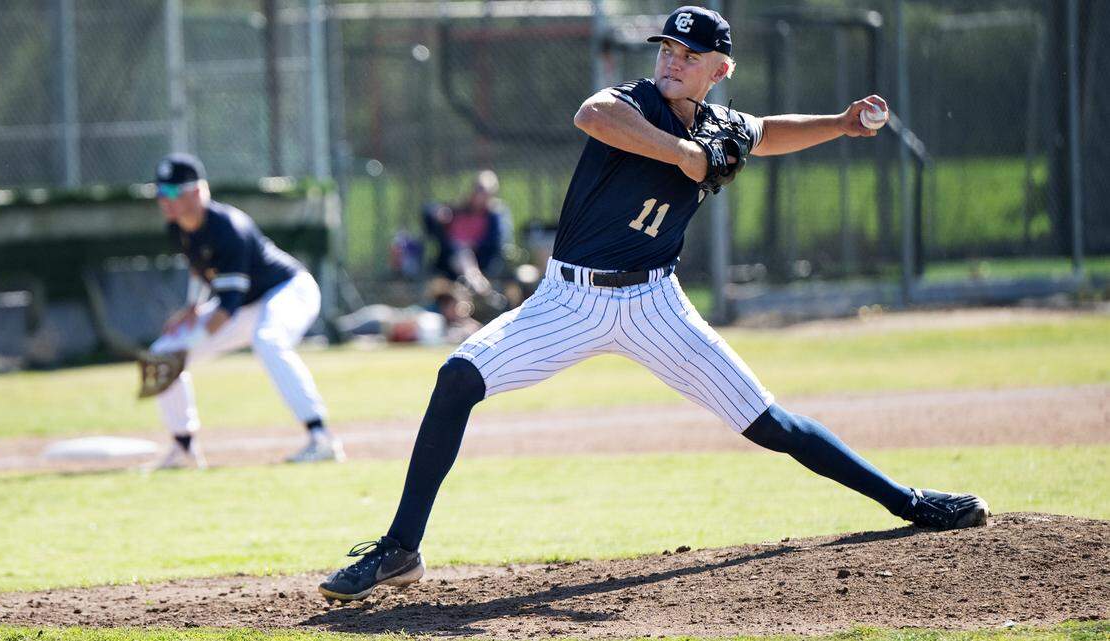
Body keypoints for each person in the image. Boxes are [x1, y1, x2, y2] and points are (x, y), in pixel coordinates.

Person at [318, 6, 988, 601]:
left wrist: (841, 125)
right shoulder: (631, 100)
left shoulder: (724, 125)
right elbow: (591, 115)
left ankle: (909, 501)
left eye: (688, 55)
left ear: (719, 69)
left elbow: (768, 131)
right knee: (457, 377)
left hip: (655, 306)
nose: (671, 60)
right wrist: (683, 154)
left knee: (770, 423)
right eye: (666, 48)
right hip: (568, 299)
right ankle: (400, 547)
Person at [145, 153, 344, 469]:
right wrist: (192, 308)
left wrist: (192, 343)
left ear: (197, 192)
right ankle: (184, 449)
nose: (163, 200)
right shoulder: (177, 227)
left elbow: (226, 310)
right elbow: (200, 270)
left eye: (172, 192)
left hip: (288, 290)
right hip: (248, 303)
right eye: (160, 192)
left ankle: (321, 438)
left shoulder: (228, 228)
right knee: (162, 354)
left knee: (267, 339)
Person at [422, 169, 511, 307]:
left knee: (465, 253)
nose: (480, 194)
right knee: (462, 253)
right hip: (451, 260)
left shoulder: (494, 215)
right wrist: (437, 213)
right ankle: (481, 288)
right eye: (478, 189)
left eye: (485, 191)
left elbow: (497, 242)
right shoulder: (458, 209)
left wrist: (474, 244)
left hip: (481, 260)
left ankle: (474, 282)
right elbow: (427, 212)